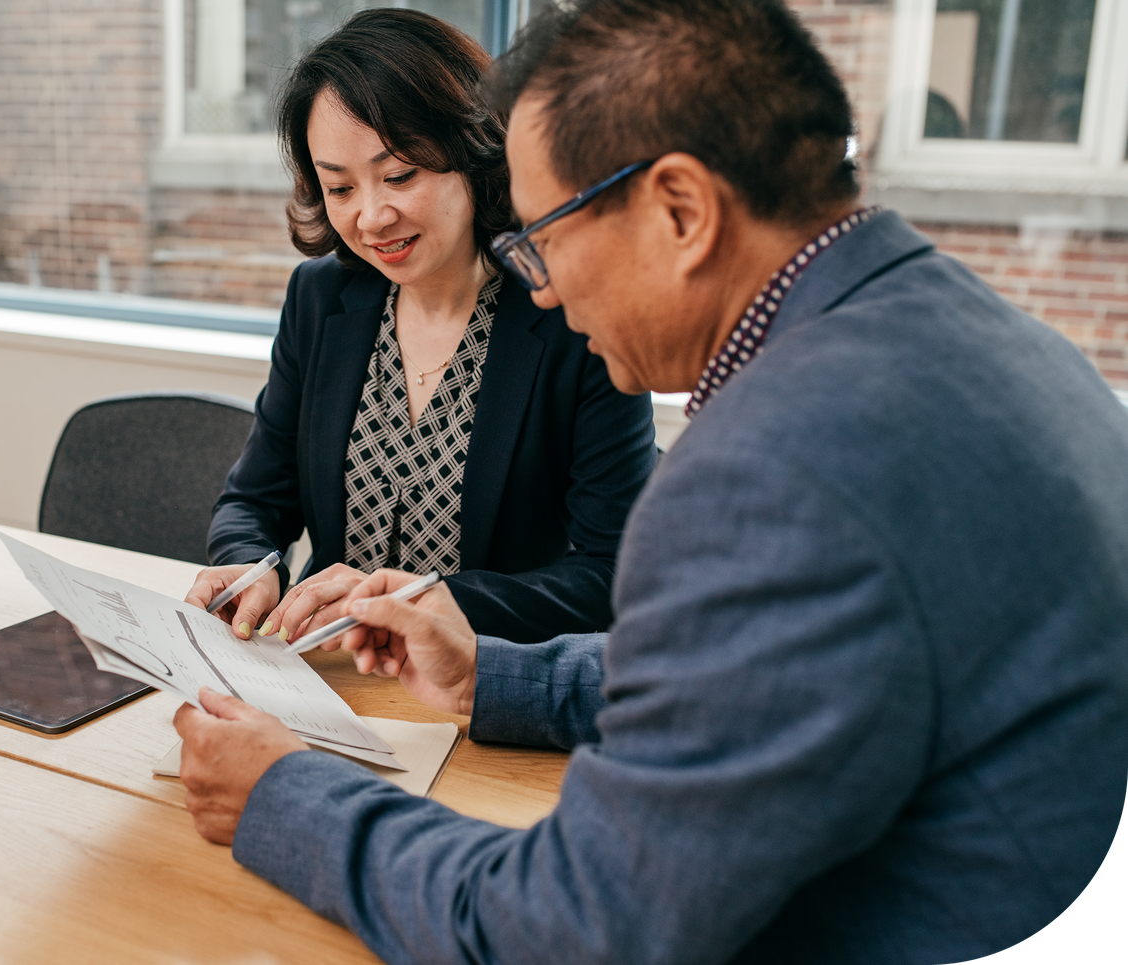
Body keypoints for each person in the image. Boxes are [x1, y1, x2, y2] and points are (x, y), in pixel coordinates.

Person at [174, 1, 1128, 962]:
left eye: (543, 232)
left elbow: (577, 925)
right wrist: (494, 675)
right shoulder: (984, 338)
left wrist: (283, 795)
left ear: (680, 209)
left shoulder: (775, 464)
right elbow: (758, 671)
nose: (540, 284)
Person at [184, 8, 656, 645]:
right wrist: (250, 565)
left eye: (400, 175)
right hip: (331, 673)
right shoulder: (322, 300)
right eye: (339, 187)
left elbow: (611, 575)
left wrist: (424, 602)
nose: (372, 217)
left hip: (486, 692)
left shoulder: (576, 318)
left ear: (472, 150)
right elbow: (254, 500)